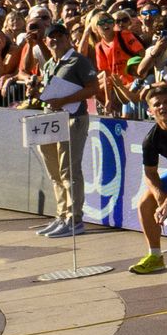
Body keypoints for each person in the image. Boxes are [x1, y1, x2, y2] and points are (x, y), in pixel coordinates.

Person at [33, 25, 96, 238]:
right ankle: (62, 214)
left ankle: (74, 218)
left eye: (60, 36)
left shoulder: (78, 60)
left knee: (69, 169)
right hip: (51, 119)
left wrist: (64, 100)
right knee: (55, 171)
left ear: (68, 38)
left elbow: (93, 88)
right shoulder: (51, 63)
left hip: (73, 118)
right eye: (51, 37)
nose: (55, 41)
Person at [127, 82, 167, 278]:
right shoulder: (151, 139)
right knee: (145, 202)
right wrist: (160, 195)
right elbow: (150, 173)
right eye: (157, 104)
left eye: (166, 102)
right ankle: (155, 256)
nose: (163, 107)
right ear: (150, 111)